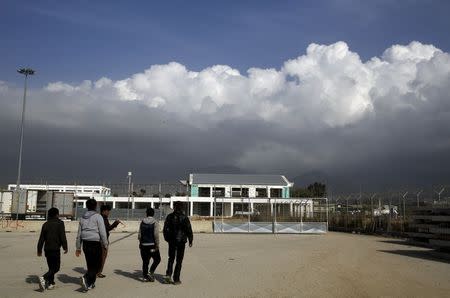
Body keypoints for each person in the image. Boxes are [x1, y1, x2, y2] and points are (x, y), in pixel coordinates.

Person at [75, 198, 108, 292]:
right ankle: (86, 278)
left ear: (87, 206)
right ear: (95, 206)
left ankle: (91, 283)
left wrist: (78, 247)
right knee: (97, 266)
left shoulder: (82, 218)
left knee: (90, 264)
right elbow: (102, 232)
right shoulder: (98, 217)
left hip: (85, 243)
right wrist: (105, 244)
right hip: (95, 243)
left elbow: (79, 234)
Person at [37, 207, 68, 291]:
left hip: (47, 249)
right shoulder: (60, 223)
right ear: (57, 214)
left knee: (51, 267)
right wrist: (65, 247)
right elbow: (62, 236)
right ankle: (43, 277)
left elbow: (41, 239)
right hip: (55, 249)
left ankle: (50, 283)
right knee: (56, 268)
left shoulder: (45, 224)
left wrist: (39, 250)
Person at [163, 201, 193, 285]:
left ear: (174, 207)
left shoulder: (169, 217)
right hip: (181, 241)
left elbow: (165, 229)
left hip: (172, 240)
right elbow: (189, 230)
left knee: (171, 259)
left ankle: (168, 276)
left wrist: (167, 238)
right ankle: (176, 279)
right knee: (179, 260)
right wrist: (190, 240)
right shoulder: (184, 217)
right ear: (181, 208)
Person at [97, 204, 121, 278]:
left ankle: (97, 271)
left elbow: (108, 228)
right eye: (107, 211)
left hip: (99, 240)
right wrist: (115, 223)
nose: (108, 213)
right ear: (104, 211)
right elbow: (107, 228)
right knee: (102, 257)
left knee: (99, 257)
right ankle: (98, 272)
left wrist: (114, 224)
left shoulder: (101, 218)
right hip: (102, 241)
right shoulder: (103, 219)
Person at [138, 206, 161, 282]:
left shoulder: (142, 222)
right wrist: (157, 245)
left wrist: (140, 243)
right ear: (153, 214)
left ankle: (145, 276)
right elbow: (156, 235)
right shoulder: (155, 222)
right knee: (157, 259)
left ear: (146, 214)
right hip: (152, 245)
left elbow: (139, 235)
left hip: (143, 245)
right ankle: (151, 272)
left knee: (145, 261)